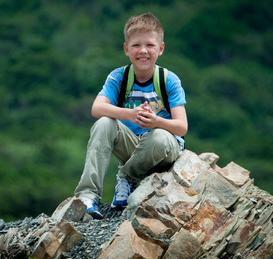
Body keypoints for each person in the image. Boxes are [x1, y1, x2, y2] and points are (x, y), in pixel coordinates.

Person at [74, 12, 188, 219]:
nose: (143, 51)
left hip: (163, 151)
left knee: (159, 136)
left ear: (160, 49)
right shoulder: (119, 77)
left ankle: (126, 176)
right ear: (127, 49)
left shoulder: (168, 80)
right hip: (132, 147)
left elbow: (181, 127)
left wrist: (156, 122)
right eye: (136, 45)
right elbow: (96, 108)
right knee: (104, 123)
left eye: (150, 45)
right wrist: (129, 114)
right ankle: (87, 196)